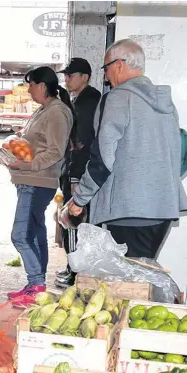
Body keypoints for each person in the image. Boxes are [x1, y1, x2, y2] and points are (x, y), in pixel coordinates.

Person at [68, 39, 187, 259]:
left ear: (119, 64)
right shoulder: (164, 102)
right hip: (162, 208)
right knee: (142, 274)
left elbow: (102, 158)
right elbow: (179, 154)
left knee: (129, 282)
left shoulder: (117, 98)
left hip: (128, 209)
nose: (106, 76)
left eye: (106, 69)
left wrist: (79, 200)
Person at [6, 66, 75, 302]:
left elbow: (56, 152)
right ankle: (36, 283)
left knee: (20, 235)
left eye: (31, 84)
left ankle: (36, 284)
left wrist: (27, 165)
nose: (28, 89)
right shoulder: (44, 110)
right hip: (29, 180)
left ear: (43, 86)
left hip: (38, 182)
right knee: (34, 232)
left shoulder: (57, 112)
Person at [55, 58, 101, 288]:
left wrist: (74, 178)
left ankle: (75, 272)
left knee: (73, 222)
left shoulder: (88, 101)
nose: (67, 80)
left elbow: (81, 143)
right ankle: (74, 269)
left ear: (85, 77)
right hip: (78, 172)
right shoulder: (81, 99)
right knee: (78, 223)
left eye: (71, 76)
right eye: (66, 76)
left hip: (80, 174)